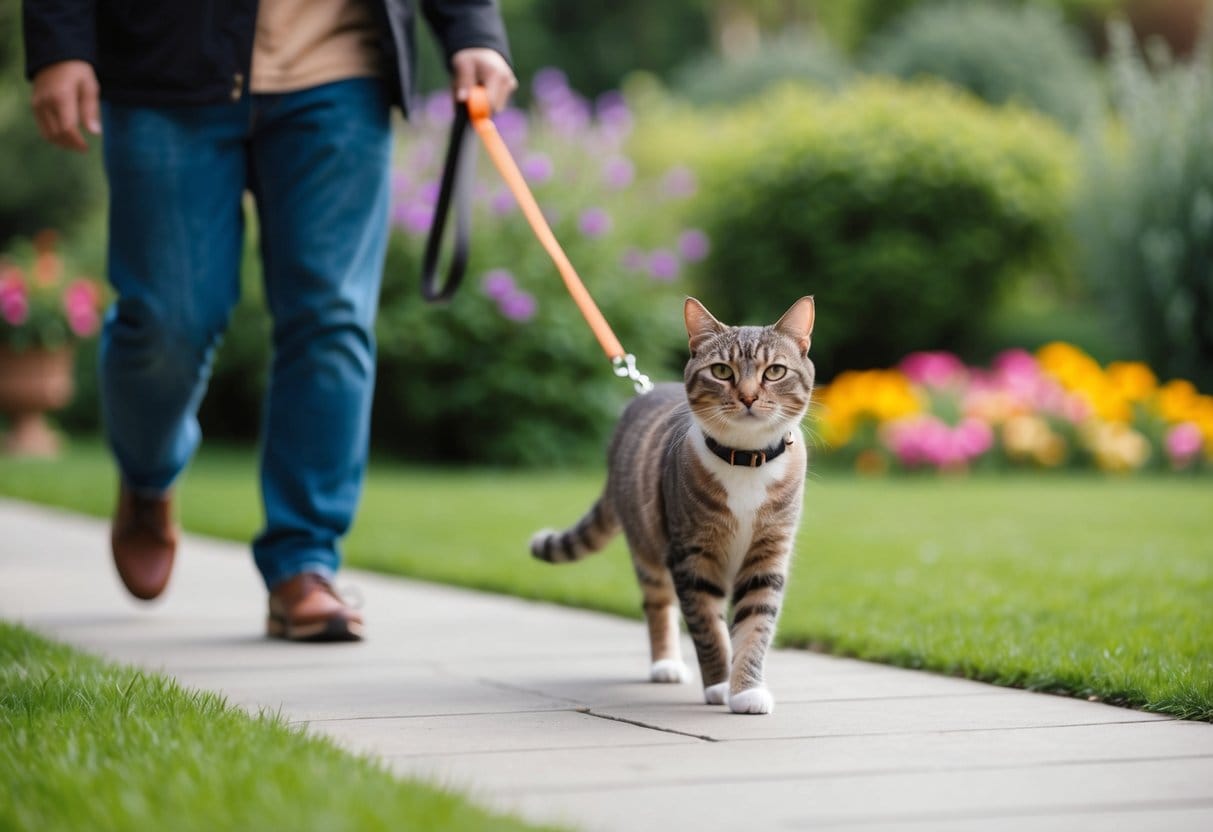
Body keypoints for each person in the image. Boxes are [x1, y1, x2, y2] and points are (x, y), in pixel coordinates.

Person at [22, 0, 516, 641]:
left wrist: (473, 28)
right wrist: (60, 38)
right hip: (166, 65)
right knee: (169, 320)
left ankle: (304, 563)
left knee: (332, 318)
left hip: (340, 69)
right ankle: (148, 475)